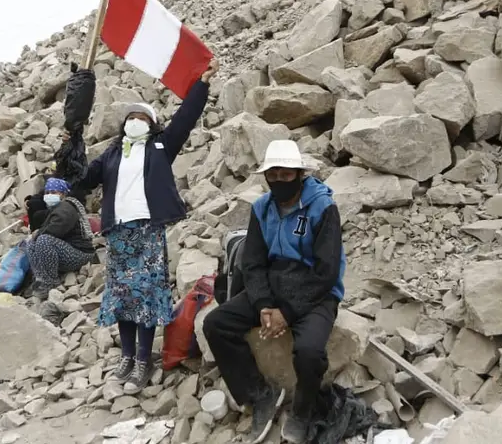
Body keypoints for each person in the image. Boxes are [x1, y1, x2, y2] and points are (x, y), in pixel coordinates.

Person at [77, 58, 218, 395]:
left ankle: (143, 358)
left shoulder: (160, 147)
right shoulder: (111, 154)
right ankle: (126, 357)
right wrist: (71, 148)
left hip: (148, 230)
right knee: (124, 298)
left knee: (147, 297)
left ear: (152, 124)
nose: (135, 122)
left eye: (142, 118)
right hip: (119, 233)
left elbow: (185, 119)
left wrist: (202, 85)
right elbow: (84, 178)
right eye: (131, 118)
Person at [202, 140, 346, 444]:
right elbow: (252, 262)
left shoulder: (323, 207)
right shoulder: (261, 208)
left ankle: (303, 413)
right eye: (274, 175)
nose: (279, 181)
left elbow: (327, 271)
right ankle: (260, 394)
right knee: (216, 324)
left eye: (286, 175)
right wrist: (265, 304)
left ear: (299, 173)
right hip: (274, 280)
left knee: (308, 352)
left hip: (316, 288)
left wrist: (288, 312)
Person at [25, 177, 95, 297]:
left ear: (63, 194)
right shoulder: (56, 208)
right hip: (66, 251)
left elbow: (56, 230)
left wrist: (39, 232)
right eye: (47, 193)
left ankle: (51, 282)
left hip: (80, 253)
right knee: (31, 243)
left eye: (53, 192)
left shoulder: (66, 208)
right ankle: (40, 279)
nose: (49, 195)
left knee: (44, 240)